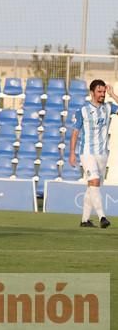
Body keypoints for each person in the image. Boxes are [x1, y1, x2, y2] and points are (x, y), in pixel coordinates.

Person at [69, 79, 114, 229]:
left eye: (103, 91)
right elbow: (75, 133)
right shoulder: (82, 110)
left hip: (103, 154)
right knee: (94, 180)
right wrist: (72, 153)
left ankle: (84, 220)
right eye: (99, 92)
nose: (102, 94)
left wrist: (113, 94)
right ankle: (102, 217)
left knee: (92, 186)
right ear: (92, 93)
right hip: (87, 152)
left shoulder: (108, 107)